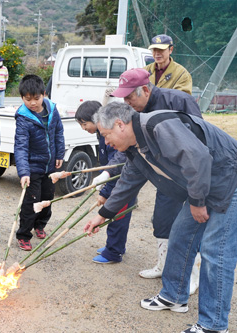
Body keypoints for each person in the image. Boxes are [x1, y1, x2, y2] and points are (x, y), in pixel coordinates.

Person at [84, 102, 237, 333]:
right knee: (179, 236)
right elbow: (128, 182)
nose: (106, 142)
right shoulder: (136, 148)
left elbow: (199, 158)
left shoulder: (158, 126)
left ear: (119, 125)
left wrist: (197, 202)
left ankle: (214, 325)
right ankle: (174, 296)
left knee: (216, 251)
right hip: (206, 185)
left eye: (106, 135)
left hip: (229, 178)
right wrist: (103, 215)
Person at [111, 68, 201, 294]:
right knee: (162, 219)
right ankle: (163, 265)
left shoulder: (179, 100)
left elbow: (199, 140)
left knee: (189, 226)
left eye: (130, 96)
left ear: (144, 89)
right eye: (123, 97)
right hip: (164, 177)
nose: (127, 101)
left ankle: (193, 274)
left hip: (190, 176)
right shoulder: (134, 112)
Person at [75, 101, 135, 263]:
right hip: (114, 181)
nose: (83, 128)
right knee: (112, 216)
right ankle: (115, 247)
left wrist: (105, 191)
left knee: (118, 218)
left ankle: (113, 253)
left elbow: (116, 164)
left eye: (84, 124)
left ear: (97, 119)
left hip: (122, 184)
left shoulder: (112, 136)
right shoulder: (101, 135)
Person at [14, 74, 64, 250]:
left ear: (44, 94)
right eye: (27, 99)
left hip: (50, 166)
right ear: (22, 98)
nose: (32, 103)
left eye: (36, 98)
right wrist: (24, 172)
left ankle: (40, 225)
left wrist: (60, 153)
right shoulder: (23, 118)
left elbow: (58, 132)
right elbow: (20, 147)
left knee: (48, 198)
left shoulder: (52, 110)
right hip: (33, 167)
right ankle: (23, 234)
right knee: (31, 202)